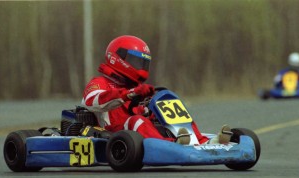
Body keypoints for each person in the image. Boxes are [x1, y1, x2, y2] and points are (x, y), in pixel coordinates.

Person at [81, 35, 231, 145]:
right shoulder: (99, 82)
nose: (140, 66)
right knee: (137, 121)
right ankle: (171, 146)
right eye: (136, 61)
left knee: (168, 106)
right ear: (118, 58)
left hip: (136, 134)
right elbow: (92, 101)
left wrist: (148, 106)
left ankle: (201, 142)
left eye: (143, 63)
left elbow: (137, 109)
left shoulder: (134, 88)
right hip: (113, 133)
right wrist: (128, 95)